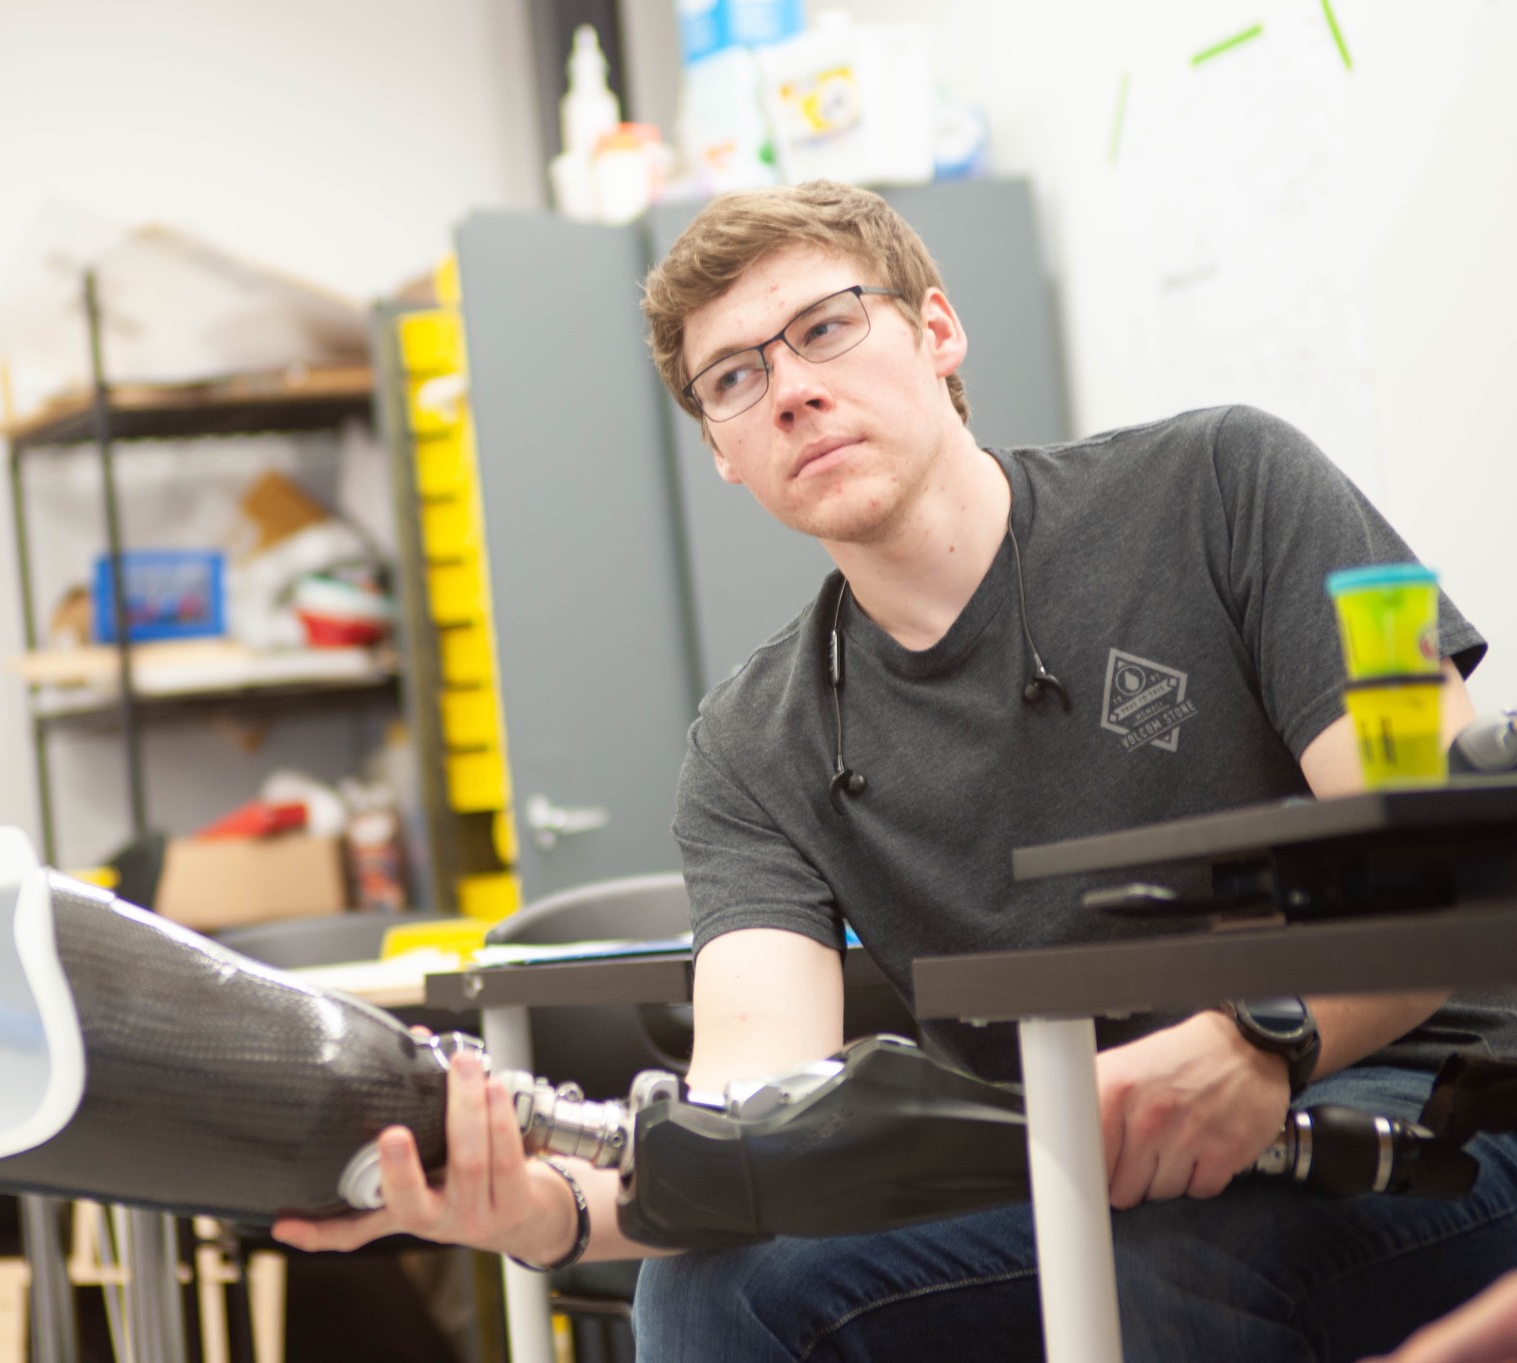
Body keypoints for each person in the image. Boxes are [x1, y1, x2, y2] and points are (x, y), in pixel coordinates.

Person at [274, 181, 1517, 1361]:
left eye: (824, 328)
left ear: (935, 331)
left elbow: (1452, 871)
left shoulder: (1219, 487)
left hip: (1420, 1106)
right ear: (721, 450)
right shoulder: (754, 742)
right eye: (734, 378)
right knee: (719, 1288)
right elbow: (751, 1110)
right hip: (1072, 1166)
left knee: (1166, 1258)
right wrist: (542, 1209)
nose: (790, 392)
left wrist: (1259, 1039)